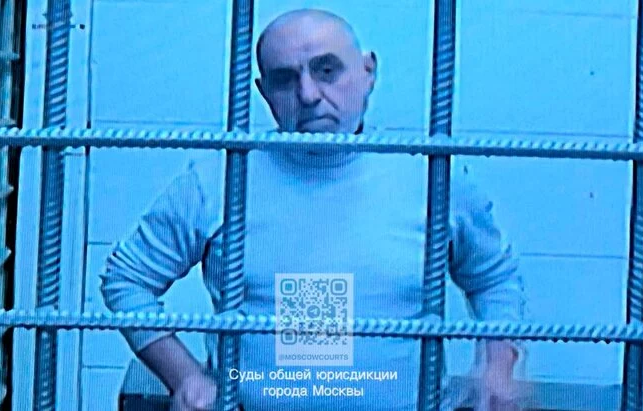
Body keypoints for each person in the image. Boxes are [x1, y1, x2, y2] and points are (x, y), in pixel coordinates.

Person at [100, 8, 528, 411]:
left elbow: (494, 279)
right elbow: (127, 279)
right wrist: (185, 377)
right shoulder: (218, 181)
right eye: (285, 79)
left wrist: (497, 366)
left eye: (326, 70)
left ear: (368, 72)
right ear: (263, 92)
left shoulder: (432, 178)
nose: (308, 95)